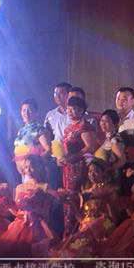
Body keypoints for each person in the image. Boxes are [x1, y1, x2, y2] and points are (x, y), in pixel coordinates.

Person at [53, 158, 117, 257]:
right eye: (90, 171)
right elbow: (81, 219)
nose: (92, 174)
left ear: (103, 173)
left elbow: (114, 219)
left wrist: (108, 203)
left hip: (102, 230)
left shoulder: (110, 191)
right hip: (85, 229)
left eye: (96, 171)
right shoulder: (85, 193)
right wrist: (71, 204)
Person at [57, 96, 99, 235]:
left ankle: (77, 233)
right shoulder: (68, 128)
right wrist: (61, 157)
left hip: (79, 167)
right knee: (67, 198)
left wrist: (73, 157)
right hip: (68, 168)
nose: (69, 111)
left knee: (75, 197)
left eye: (73, 109)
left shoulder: (85, 126)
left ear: (81, 110)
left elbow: (90, 147)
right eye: (68, 109)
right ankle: (67, 233)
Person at [0, 155, 56, 257]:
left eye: (32, 166)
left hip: (38, 226)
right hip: (20, 225)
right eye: (26, 167)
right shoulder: (19, 187)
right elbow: (17, 211)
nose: (29, 170)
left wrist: (31, 209)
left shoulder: (45, 187)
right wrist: (10, 207)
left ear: (39, 167)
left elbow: (45, 212)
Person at [98, 109, 126, 179]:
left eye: (107, 121)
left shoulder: (114, 139)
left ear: (114, 124)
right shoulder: (107, 137)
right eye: (102, 120)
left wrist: (108, 169)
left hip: (110, 177)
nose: (103, 123)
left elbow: (122, 160)